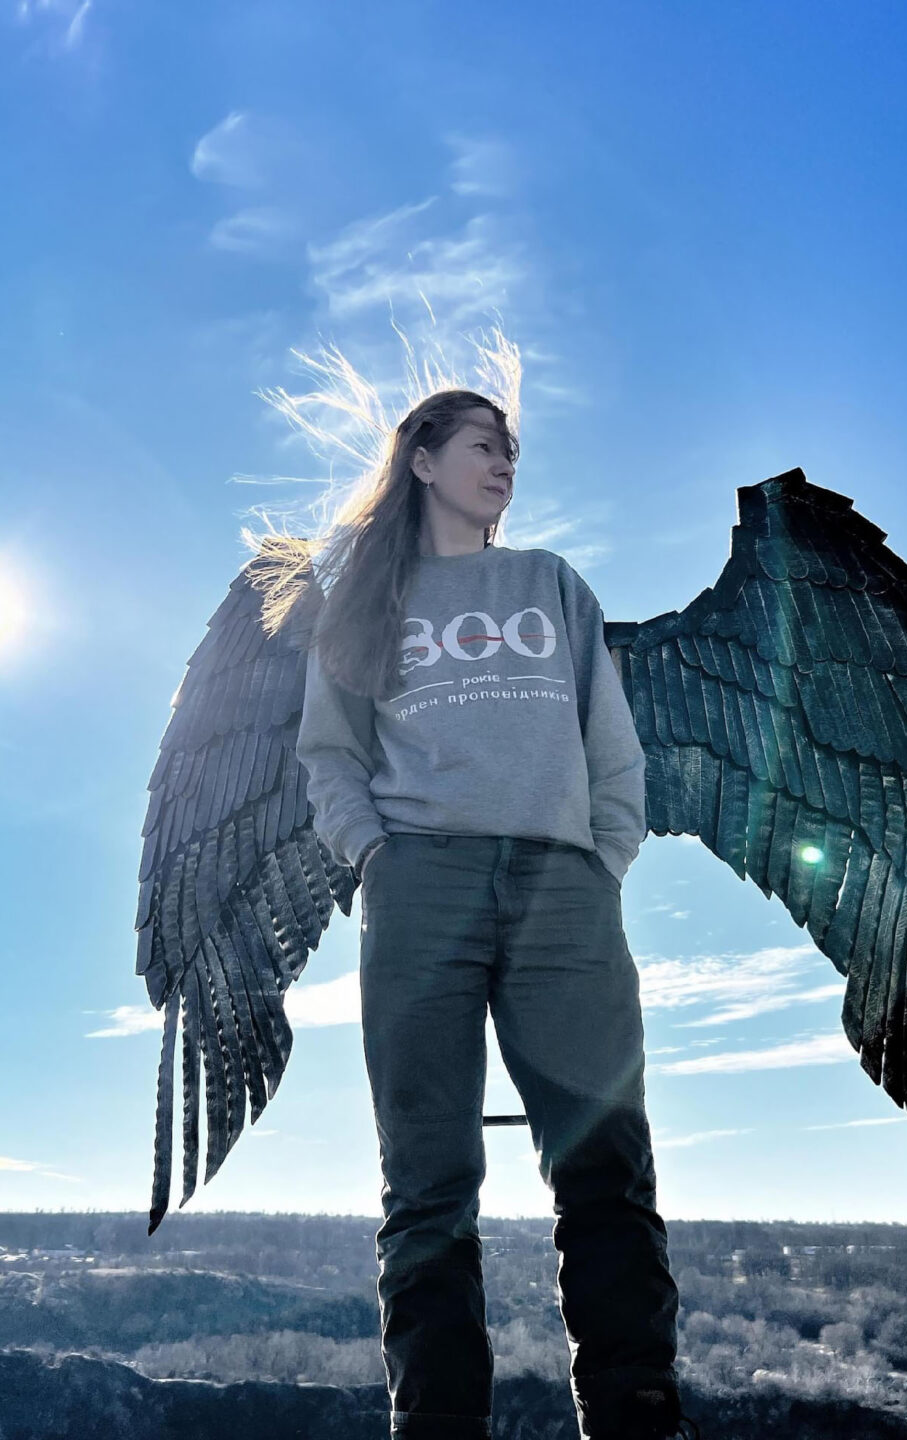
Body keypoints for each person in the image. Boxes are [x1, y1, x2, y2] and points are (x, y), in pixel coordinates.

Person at [294, 389, 688, 1440]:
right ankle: (436, 1423)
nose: (504, 462)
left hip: (563, 889)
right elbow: (329, 755)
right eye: (483, 444)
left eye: (511, 449)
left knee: (605, 1158)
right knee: (428, 1179)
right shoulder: (365, 601)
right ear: (423, 461)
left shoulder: (551, 585)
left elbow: (613, 742)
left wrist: (601, 858)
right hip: (422, 884)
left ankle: (639, 1414)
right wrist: (376, 856)